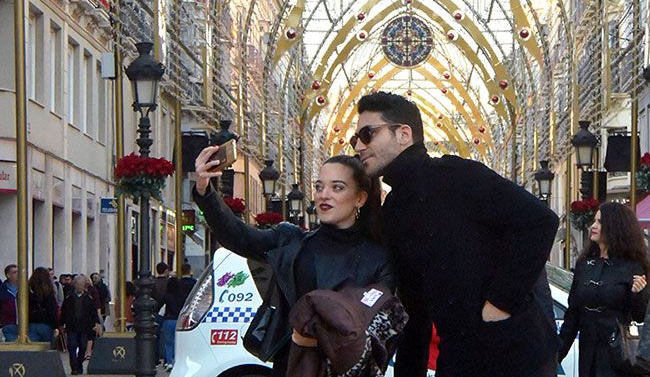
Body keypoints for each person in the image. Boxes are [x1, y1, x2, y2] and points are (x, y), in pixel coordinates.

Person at [352, 91, 560, 377]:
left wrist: (499, 305)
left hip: (511, 354)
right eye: (355, 139)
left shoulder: (458, 176)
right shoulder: (394, 211)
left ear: (403, 134)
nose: (359, 146)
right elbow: (415, 307)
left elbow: (539, 221)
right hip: (458, 360)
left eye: (367, 134)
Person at [193, 151, 395, 377]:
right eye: (319, 187)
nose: (324, 195)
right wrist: (204, 190)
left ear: (360, 198)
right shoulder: (290, 241)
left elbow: (385, 325)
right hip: (290, 364)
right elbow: (238, 236)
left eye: (337, 187)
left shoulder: (378, 258)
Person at [559, 202, 650, 377]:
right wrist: (557, 356)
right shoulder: (584, 264)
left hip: (618, 357)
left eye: (600, 222)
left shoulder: (633, 266)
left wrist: (639, 293)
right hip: (588, 355)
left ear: (615, 227)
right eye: (594, 221)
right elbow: (572, 316)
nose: (593, 226)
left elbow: (639, 316)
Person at [59, 275, 101, 375]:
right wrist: (61, 323)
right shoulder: (69, 298)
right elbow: (64, 311)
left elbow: (93, 312)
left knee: (82, 346)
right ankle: (74, 367)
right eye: (77, 284)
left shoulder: (88, 298)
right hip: (72, 327)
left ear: (84, 286)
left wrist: (96, 322)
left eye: (81, 284)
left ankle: (79, 363)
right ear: (74, 285)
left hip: (84, 327)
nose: (79, 286)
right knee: (72, 346)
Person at [158, 277, 188, 371]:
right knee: (176, 342)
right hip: (179, 321)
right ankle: (176, 361)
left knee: (168, 343)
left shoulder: (167, 295)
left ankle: (169, 362)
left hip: (168, 320)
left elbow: (158, 307)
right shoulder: (182, 296)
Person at [27, 267, 58, 343]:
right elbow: (52, 310)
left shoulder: (27, 291)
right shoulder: (48, 292)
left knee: (33, 349)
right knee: (46, 348)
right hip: (46, 323)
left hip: (31, 323)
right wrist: (55, 325)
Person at [0, 264, 18, 342]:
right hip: (8, 324)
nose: (18, 274)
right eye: (15, 272)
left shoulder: (25, 288)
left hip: (25, 325)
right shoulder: (2, 290)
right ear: (8, 275)